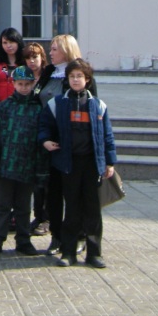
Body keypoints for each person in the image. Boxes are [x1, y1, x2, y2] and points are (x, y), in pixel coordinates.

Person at [39, 58, 117, 268]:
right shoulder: (58, 103)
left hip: (92, 165)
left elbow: (107, 137)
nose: (75, 80)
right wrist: (45, 141)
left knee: (92, 210)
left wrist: (110, 162)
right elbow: (44, 126)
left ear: (87, 79)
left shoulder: (98, 105)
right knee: (71, 209)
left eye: (79, 76)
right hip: (68, 164)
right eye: (72, 76)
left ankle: (94, 254)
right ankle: (68, 253)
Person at [33, 34, 98, 253]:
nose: (49, 53)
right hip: (47, 140)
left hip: (72, 144)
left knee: (74, 193)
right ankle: (57, 235)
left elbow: (93, 108)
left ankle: (78, 235)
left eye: (53, 49)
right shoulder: (50, 72)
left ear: (66, 50)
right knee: (51, 192)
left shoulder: (78, 74)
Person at [0, 65, 47, 258]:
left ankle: (23, 240)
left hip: (27, 166)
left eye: (28, 84)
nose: (24, 88)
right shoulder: (5, 107)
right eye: (20, 84)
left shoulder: (37, 109)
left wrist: (40, 169)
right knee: (2, 205)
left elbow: (40, 141)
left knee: (23, 207)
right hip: (5, 165)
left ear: (33, 83)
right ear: (13, 84)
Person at [22, 43, 49, 235]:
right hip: (28, 132)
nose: (32, 61)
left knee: (43, 181)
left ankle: (44, 218)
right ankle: (35, 215)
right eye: (29, 58)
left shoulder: (48, 77)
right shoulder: (25, 77)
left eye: (35, 57)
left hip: (44, 131)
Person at [0, 27, 25, 113]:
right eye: (5, 43)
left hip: (19, 107)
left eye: (11, 42)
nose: (8, 46)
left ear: (18, 42)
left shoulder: (25, 61)